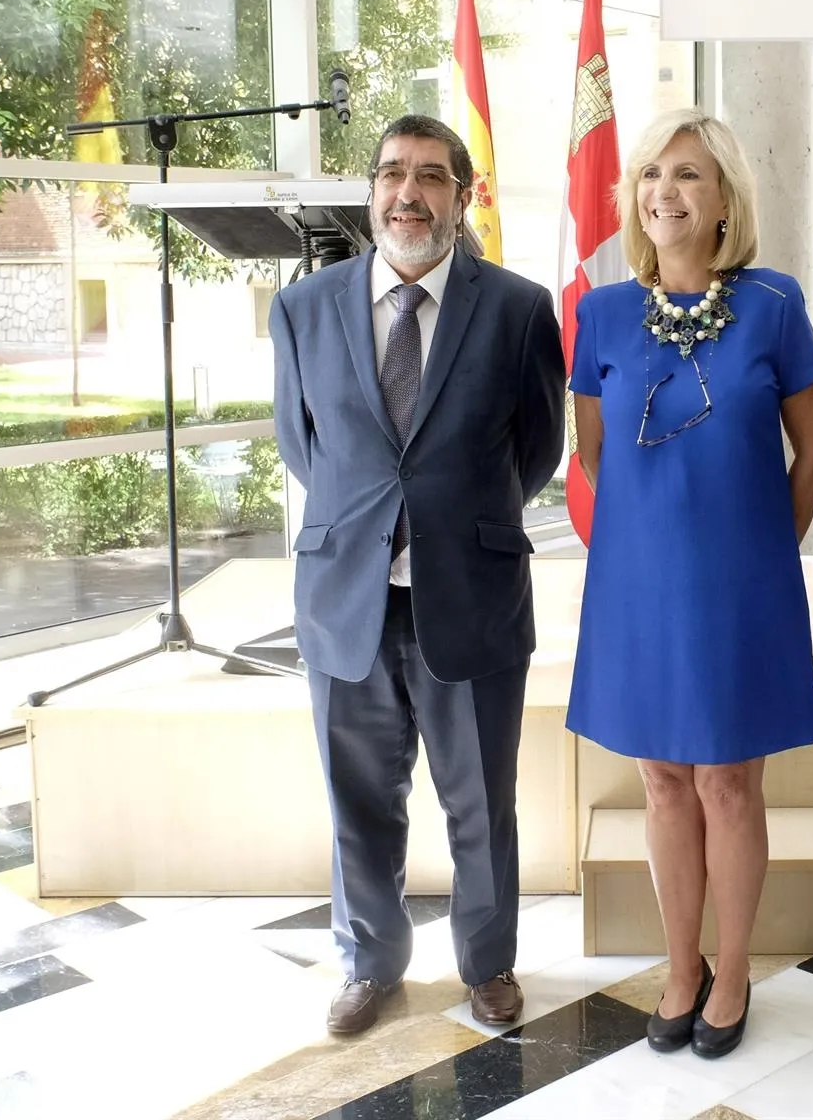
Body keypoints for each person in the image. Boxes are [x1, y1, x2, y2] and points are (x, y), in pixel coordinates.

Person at [269, 113, 566, 1036]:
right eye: (393, 173)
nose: (409, 193)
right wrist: (375, 528)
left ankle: (487, 964)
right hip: (345, 598)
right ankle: (369, 961)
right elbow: (302, 444)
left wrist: (447, 523)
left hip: (470, 597)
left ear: (462, 195)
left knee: (479, 799)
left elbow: (536, 450)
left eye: (432, 176)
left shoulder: (517, 308)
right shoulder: (305, 307)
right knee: (358, 798)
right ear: (370, 192)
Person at [567, 109, 813, 1059]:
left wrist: (765, 546)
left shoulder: (774, 304)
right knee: (660, 779)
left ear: (725, 199)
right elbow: (594, 460)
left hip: (741, 583)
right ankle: (679, 970)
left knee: (728, 779)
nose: (664, 193)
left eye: (687, 176)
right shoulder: (599, 313)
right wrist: (655, 541)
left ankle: (733, 969)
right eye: (651, 176)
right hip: (637, 585)